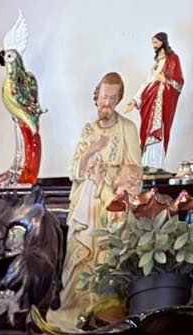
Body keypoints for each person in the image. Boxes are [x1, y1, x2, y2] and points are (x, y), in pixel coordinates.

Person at [57, 72, 142, 314]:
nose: (107, 103)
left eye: (113, 99)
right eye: (104, 97)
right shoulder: (88, 130)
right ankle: (76, 306)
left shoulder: (127, 128)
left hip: (111, 202)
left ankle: (103, 309)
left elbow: (135, 169)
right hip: (86, 200)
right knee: (79, 251)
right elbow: (73, 171)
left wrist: (116, 183)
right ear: (96, 97)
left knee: (106, 252)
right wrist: (89, 152)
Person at [127, 32, 184, 171]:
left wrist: (166, 80)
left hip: (161, 101)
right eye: (153, 42)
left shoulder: (173, 59)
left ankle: (156, 164)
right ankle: (147, 162)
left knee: (158, 129)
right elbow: (147, 81)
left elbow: (179, 83)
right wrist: (135, 99)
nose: (154, 45)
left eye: (156, 42)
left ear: (163, 42)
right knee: (147, 130)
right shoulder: (156, 62)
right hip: (149, 98)